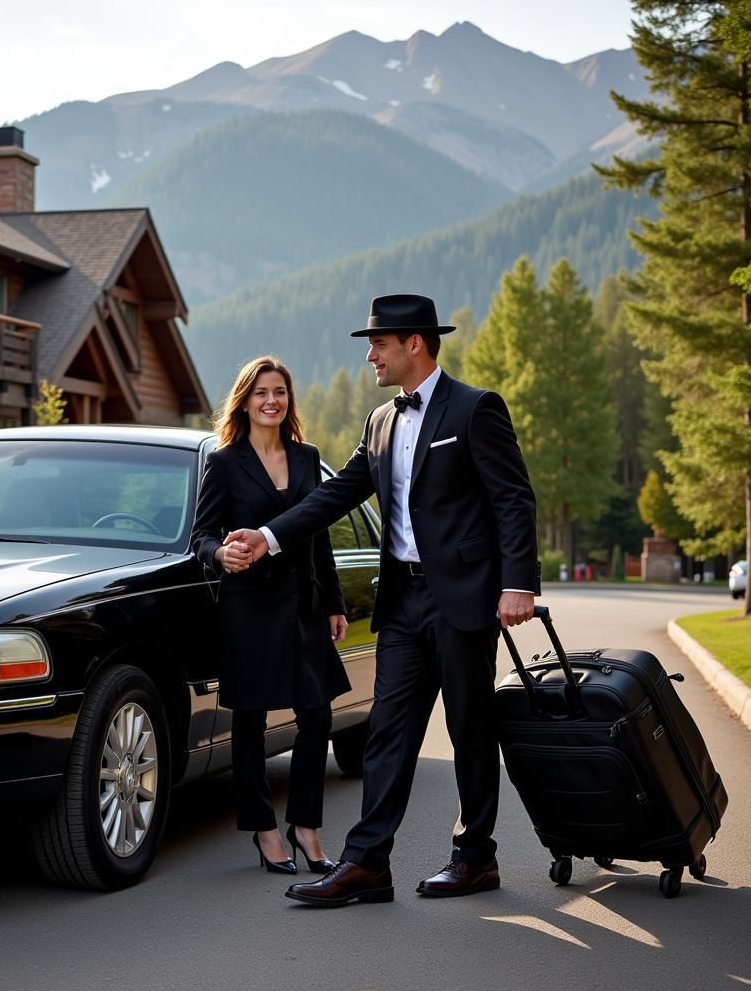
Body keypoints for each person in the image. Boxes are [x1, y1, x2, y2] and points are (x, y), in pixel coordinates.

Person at [224, 294, 539, 906]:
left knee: (469, 727)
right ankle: (369, 863)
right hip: (402, 601)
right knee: (388, 731)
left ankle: (476, 857)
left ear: (413, 344)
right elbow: (337, 493)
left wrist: (517, 583)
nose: (370, 356)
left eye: (378, 345)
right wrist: (267, 537)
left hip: (464, 599)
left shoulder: (476, 409)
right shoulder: (380, 420)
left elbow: (512, 499)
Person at [191, 355, 351, 874]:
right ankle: (263, 831)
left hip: (303, 605)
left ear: (289, 400)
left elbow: (319, 531)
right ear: (245, 400)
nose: (271, 400)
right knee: (252, 722)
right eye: (261, 392)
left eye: (279, 391)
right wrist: (221, 554)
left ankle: (305, 826)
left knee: (317, 716)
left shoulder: (307, 457)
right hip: (249, 608)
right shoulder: (224, 461)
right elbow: (202, 537)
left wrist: (333, 602)